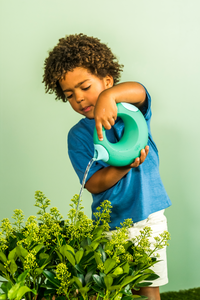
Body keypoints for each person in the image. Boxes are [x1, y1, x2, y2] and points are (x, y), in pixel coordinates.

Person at [43, 33, 172, 300]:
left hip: (149, 216)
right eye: (70, 94)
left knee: (147, 287)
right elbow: (93, 183)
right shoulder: (77, 136)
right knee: (106, 287)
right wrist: (123, 166)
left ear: (107, 80)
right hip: (109, 223)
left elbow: (140, 90)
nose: (79, 98)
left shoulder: (129, 111)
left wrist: (109, 98)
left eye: (85, 86)